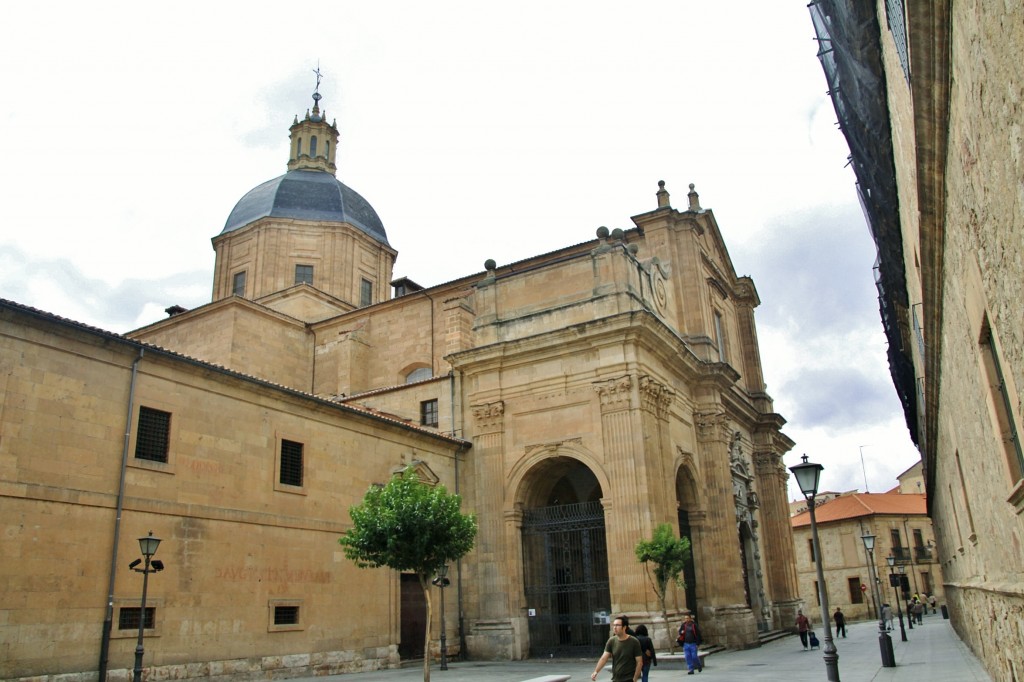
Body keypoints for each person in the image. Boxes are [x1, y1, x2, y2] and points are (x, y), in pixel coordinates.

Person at [591, 615, 642, 682]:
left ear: (624, 627)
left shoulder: (634, 641)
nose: (615, 627)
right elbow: (604, 658)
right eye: (614, 625)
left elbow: (639, 662)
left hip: (629, 679)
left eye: (617, 625)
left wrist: (635, 679)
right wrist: (596, 671)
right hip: (616, 679)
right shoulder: (611, 641)